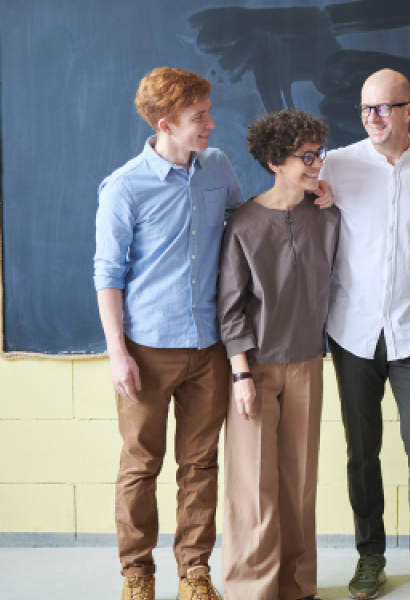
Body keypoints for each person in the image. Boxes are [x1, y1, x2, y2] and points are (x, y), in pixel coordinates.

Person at [94, 67, 242, 600]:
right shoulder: (124, 187)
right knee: (140, 464)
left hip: (210, 348)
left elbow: (242, 234)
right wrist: (117, 354)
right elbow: (107, 275)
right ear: (166, 124)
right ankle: (137, 574)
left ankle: (195, 574)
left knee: (200, 464)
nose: (211, 123)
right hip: (147, 350)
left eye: (206, 111)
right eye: (199, 117)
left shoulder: (219, 168)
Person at [318, 69, 410, 600]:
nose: (373, 118)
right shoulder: (335, 165)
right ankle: (370, 556)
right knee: (362, 451)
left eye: (383, 108)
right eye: (365, 110)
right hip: (352, 329)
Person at [218, 109, 340, 600]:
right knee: (253, 486)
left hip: (309, 362)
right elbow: (230, 308)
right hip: (257, 369)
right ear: (274, 160)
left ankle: (296, 586)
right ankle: (251, 588)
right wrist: (241, 375)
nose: (316, 165)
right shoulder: (244, 224)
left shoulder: (327, 213)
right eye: (306, 157)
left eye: (318, 154)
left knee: (298, 484)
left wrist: (326, 193)